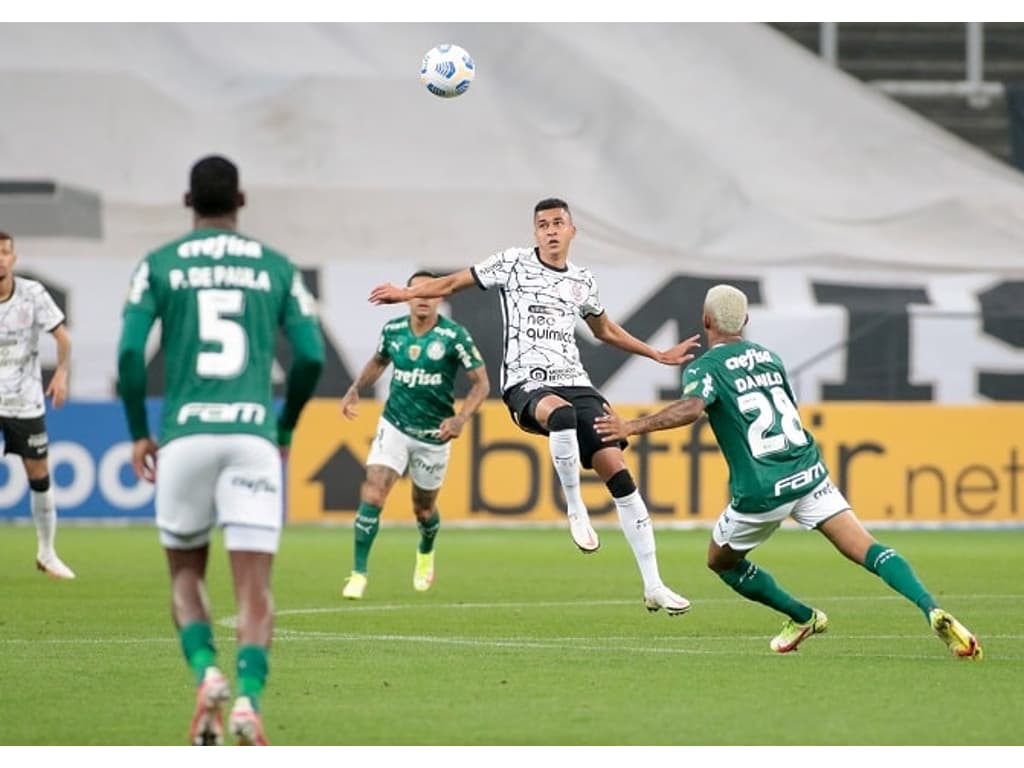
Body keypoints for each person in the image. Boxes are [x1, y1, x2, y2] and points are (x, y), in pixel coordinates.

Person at [593, 283, 983, 659]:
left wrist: (631, 426)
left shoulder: (706, 366)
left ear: (705, 320)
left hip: (762, 489)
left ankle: (803, 617)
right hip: (808, 472)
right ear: (744, 320)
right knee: (868, 548)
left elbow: (692, 409)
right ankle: (930, 608)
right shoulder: (769, 357)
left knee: (720, 562)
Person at [369, 198, 700, 615]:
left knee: (618, 472)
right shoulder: (513, 264)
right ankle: (575, 508)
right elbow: (452, 283)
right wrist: (406, 293)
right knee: (559, 415)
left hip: (577, 382)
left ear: (572, 231)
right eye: (542, 224)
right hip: (527, 383)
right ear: (535, 232)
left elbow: (605, 330)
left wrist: (656, 354)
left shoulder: (582, 281)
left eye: (558, 223)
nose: (550, 230)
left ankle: (654, 585)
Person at [116, 155, 326, 746]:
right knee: (254, 587)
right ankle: (249, 701)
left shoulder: (158, 264)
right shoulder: (277, 267)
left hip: (184, 435)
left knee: (185, 572)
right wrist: (284, 429)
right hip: (252, 437)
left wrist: (138, 430)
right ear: (242, 201)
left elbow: (131, 354)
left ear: (188, 202)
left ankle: (207, 674)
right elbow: (310, 357)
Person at [340, 270, 490, 600]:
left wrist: (461, 418)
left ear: (441, 296)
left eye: (430, 291)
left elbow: (482, 383)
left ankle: (425, 551)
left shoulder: (454, 337)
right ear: (406, 295)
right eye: (416, 291)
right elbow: (379, 361)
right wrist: (354, 389)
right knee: (375, 493)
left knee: (423, 510)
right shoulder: (393, 330)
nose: (423, 297)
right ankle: (358, 573)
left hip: (434, 435)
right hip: (394, 425)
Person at [0, 232, 76, 580]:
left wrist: (61, 374)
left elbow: (62, 337)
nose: (0, 259)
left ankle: (47, 553)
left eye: (5, 252)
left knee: (40, 477)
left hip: (26, 401)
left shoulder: (32, 294)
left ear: (14, 258)